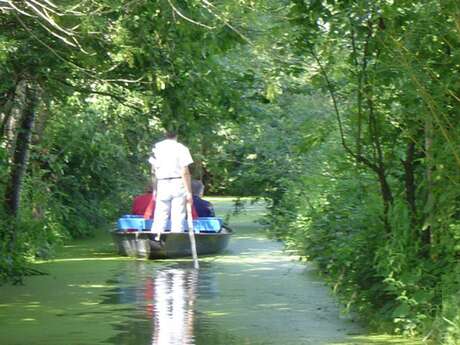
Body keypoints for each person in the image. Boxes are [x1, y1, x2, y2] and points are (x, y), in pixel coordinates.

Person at [149, 131, 194, 234]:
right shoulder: (181, 148)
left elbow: (153, 171)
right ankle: (176, 240)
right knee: (178, 216)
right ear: (176, 135)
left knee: (160, 215)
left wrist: (155, 189)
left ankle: (156, 239)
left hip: (162, 183)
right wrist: (189, 192)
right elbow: (185, 172)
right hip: (178, 183)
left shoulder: (156, 148)